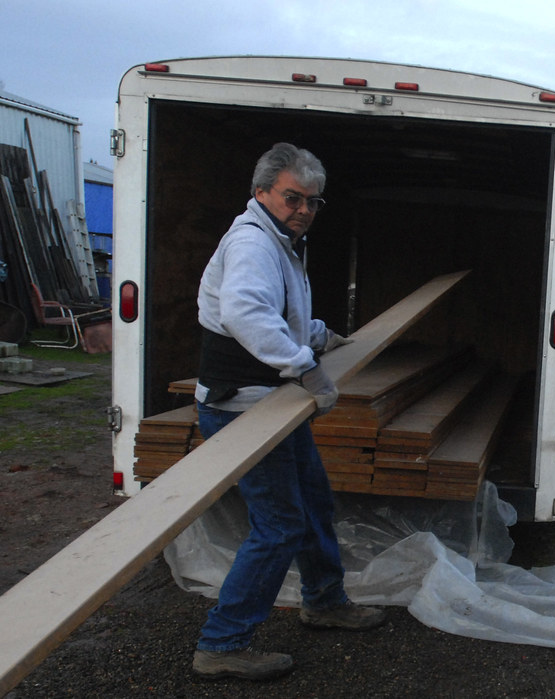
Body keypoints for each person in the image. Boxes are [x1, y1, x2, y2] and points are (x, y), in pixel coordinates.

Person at [190, 143, 386, 681]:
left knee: (313, 503)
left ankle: (324, 602)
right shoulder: (254, 243)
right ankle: (222, 644)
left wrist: (318, 335)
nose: (303, 209)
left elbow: (278, 312)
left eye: (312, 201)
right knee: (278, 526)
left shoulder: (281, 242)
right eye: (292, 197)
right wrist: (307, 368)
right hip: (243, 408)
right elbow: (246, 312)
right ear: (262, 194)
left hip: (272, 404)